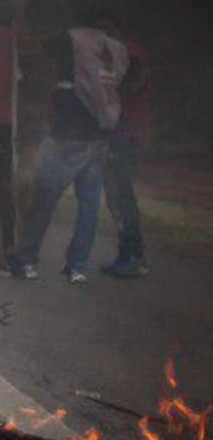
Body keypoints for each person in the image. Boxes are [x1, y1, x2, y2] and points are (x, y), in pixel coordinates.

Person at [4, 6, 134, 284]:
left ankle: (26, 261)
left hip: (68, 133)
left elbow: (31, 49)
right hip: (100, 133)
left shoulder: (71, 39)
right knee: (89, 206)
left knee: (42, 198)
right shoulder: (115, 49)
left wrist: (18, 16)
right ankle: (77, 266)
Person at [102, 28, 151, 279]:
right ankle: (127, 254)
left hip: (126, 138)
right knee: (115, 198)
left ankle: (135, 256)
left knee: (122, 197)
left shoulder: (128, 53)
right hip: (116, 137)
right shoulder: (116, 54)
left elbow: (132, 85)